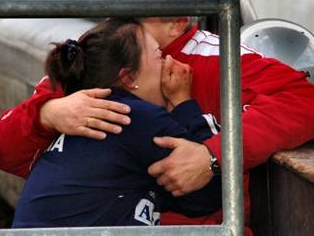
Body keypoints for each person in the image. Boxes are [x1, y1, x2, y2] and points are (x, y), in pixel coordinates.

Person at [0, 0, 314, 235]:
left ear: (178, 22)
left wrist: (213, 155)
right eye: (111, 7)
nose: (113, 21)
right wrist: (47, 115)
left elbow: (307, 102)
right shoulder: (98, 54)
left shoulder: (221, 58)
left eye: (129, 13)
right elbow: (3, 152)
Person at [12, 18, 222, 227]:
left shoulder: (80, 114)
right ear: (129, 78)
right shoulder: (132, 116)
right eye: (159, 55)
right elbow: (214, 192)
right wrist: (183, 103)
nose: (170, 62)